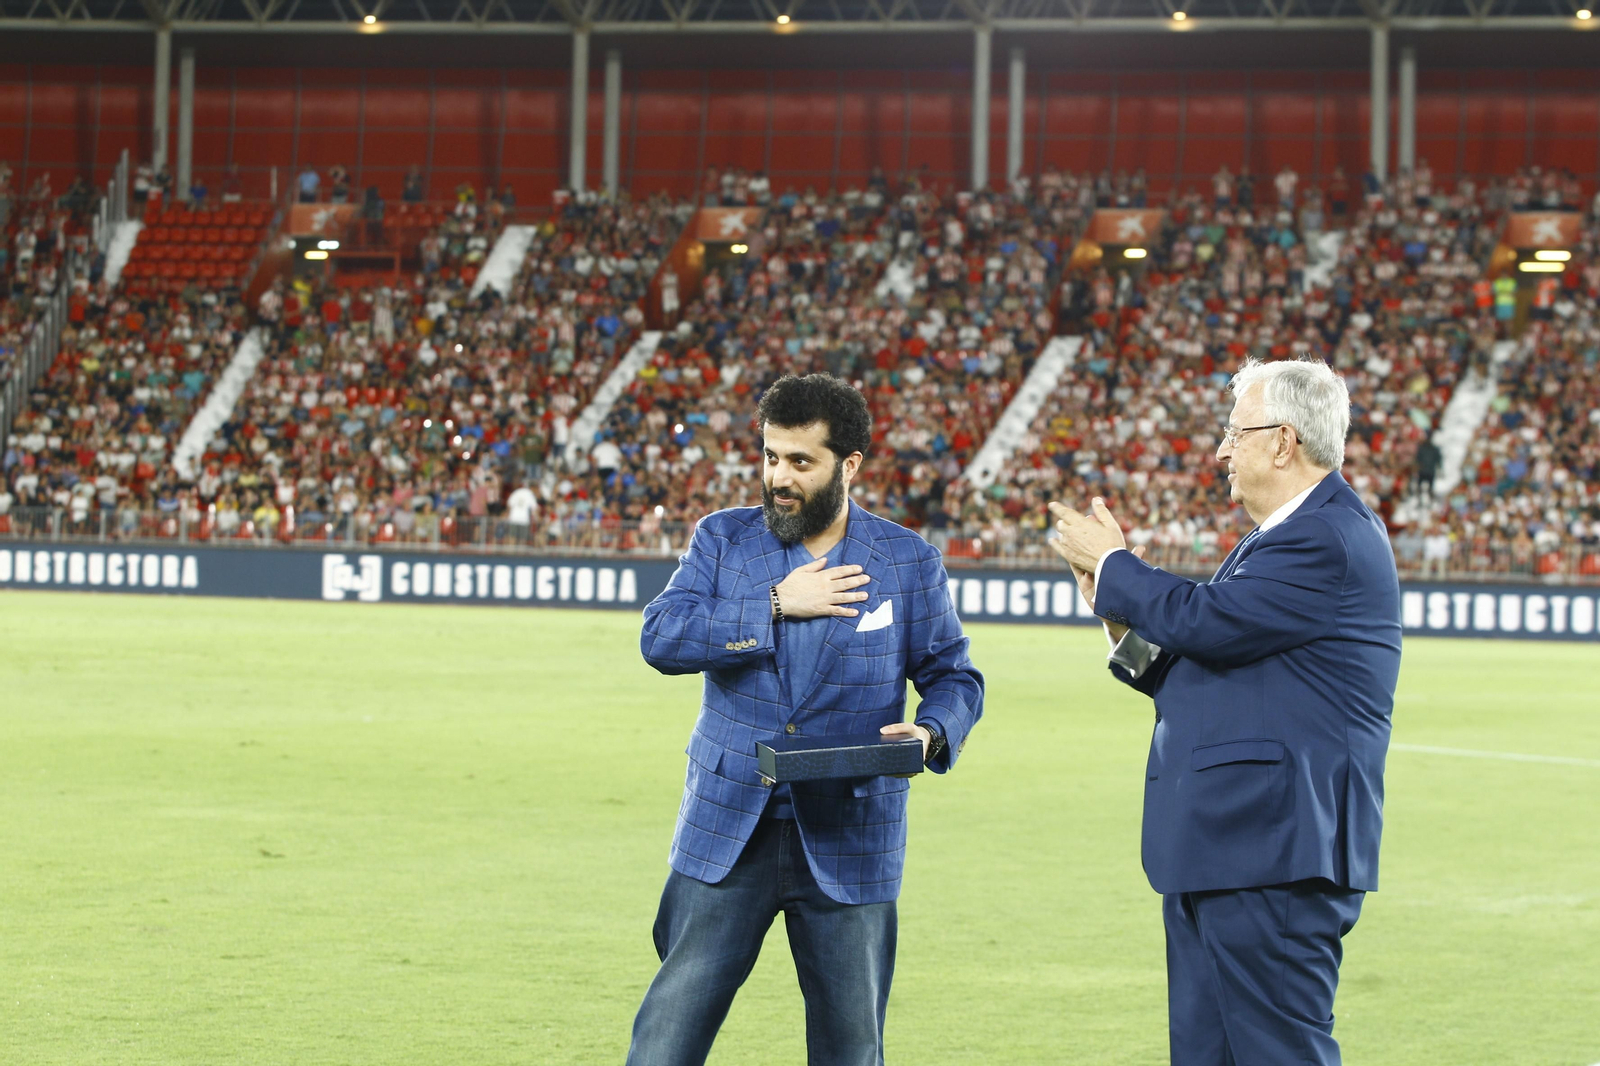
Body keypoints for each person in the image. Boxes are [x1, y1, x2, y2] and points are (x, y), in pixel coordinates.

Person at [1049, 357, 1401, 1066]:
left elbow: (1205, 621)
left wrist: (1119, 567)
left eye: (1234, 433)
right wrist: (1114, 613)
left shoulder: (1324, 537)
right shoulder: (1277, 538)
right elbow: (1202, 663)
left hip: (1273, 854)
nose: (1220, 452)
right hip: (1231, 850)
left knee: (1276, 1054)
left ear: (1282, 440)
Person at [627, 373, 985, 1066]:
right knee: (664, 1043)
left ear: (848, 465)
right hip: (727, 828)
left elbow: (953, 674)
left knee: (852, 1051)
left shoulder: (907, 560)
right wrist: (773, 603)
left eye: (800, 462)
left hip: (850, 834)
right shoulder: (724, 540)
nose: (778, 478)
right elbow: (661, 637)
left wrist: (932, 729)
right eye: (770, 457)